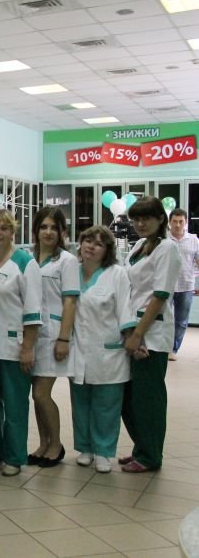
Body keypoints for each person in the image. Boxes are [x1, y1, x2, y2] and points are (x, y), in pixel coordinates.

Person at [0, 208, 42, 477]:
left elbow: (33, 309)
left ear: (13, 231)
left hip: (14, 347)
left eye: (4, 228)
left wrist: (28, 348)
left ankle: (14, 456)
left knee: (15, 405)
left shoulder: (25, 263)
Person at [121, 196, 180, 473]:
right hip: (133, 328)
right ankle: (141, 447)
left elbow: (160, 295)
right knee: (129, 397)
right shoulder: (139, 246)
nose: (141, 223)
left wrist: (138, 334)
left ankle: (150, 455)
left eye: (146, 218)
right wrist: (130, 331)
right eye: (136, 219)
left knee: (148, 398)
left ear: (160, 219)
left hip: (152, 334)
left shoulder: (167, 248)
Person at [71, 226, 136, 473]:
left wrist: (131, 338)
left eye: (99, 244)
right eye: (88, 240)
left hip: (109, 350)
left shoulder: (116, 274)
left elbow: (125, 308)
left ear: (107, 250)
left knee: (107, 404)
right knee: (80, 402)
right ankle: (85, 448)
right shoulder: (72, 271)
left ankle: (103, 451)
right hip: (78, 349)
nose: (91, 246)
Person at [28, 207, 79, 468]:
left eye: (54, 228)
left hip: (53, 335)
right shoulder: (29, 257)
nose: (48, 232)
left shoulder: (67, 261)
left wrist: (63, 339)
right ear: (36, 230)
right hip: (31, 336)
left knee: (41, 394)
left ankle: (56, 444)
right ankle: (43, 443)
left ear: (62, 232)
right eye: (43, 227)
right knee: (35, 396)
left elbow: (70, 301)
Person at [167, 208, 199, 360]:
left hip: (186, 285)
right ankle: (163, 347)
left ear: (186, 222)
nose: (178, 225)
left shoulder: (194, 240)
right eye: (175, 221)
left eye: (181, 221)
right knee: (163, 319)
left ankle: (173, 349)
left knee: (181, 321)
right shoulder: (163, 240)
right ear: (170, 222)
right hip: (166, 285)